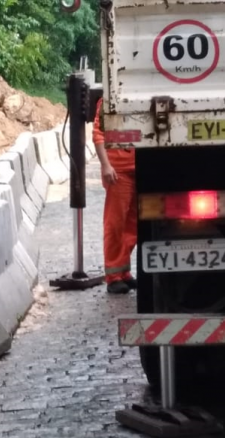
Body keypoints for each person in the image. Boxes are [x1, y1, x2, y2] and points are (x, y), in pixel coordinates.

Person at [92, 99, 137, 294]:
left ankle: (123, 272)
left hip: (138, 168)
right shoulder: (108, 100)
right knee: (116, 223)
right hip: (119, 171)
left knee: (132, 225)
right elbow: (98, 134)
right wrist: (106, 165)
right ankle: (113, 277)